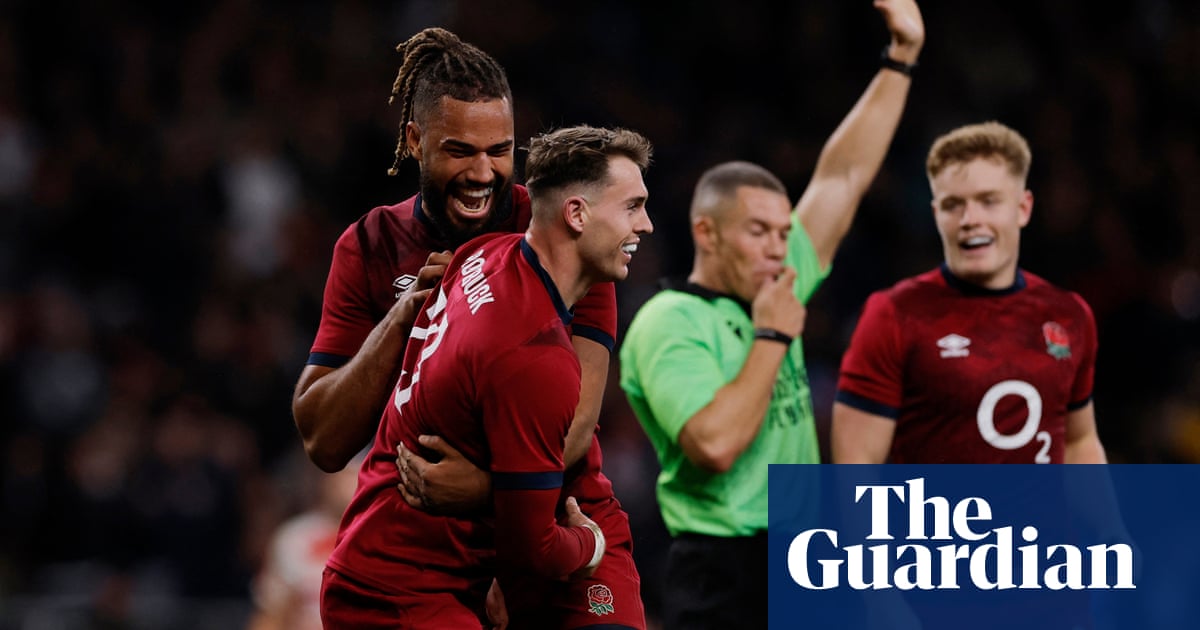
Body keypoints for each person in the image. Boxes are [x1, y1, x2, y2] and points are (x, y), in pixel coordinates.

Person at [293, 28, 641, 627]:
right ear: (414, 141)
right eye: (460, 151)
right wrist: (405, 317)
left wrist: (489, 495)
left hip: (558, 511)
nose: (483, 173)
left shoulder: (560, 230)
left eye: (499, 151)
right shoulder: (372, 245)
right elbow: (323, 441)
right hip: (429, 540)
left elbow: (577, 427)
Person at [617, 1, 925, 628]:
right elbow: (715, 444)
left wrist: (901, 57)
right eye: (758, 231)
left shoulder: (778, 279)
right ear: (706, 233)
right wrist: (773, 335)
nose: (778, 249)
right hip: (723, 574)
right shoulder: (669, 320)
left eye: (785, 233)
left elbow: (843, 176)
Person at [831, 121, 1109, 465]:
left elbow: (1079, 442)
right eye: (953, 205)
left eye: (988, 201)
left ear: (1023, 208)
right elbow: (856, 469)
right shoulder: (895, 314)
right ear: (936, 215)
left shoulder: (1068, 314)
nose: (969, 219)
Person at [244, 459, 359, 630]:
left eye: (356, 474)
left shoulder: (387, 540)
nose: (347, 484)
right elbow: (270, 614)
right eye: (342, 475)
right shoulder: (295, 538)